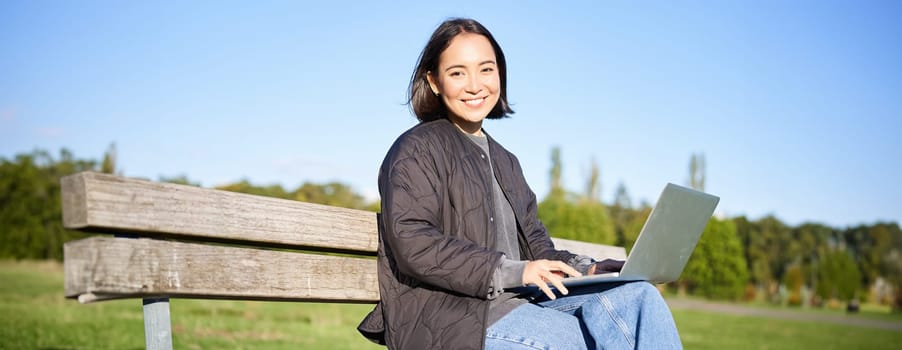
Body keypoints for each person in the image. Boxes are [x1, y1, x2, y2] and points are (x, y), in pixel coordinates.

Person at [358, 18, 682, 350]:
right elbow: (415, 242)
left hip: (522, 303)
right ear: (435, 81)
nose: (474, 85)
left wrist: (591, 268)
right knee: (566, 336)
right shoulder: (416, 148)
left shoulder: (506, 161)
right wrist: (511, 270)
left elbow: (538, 250)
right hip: (450, 317)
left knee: (638, 298)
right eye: (457, 73)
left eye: (486, 69)